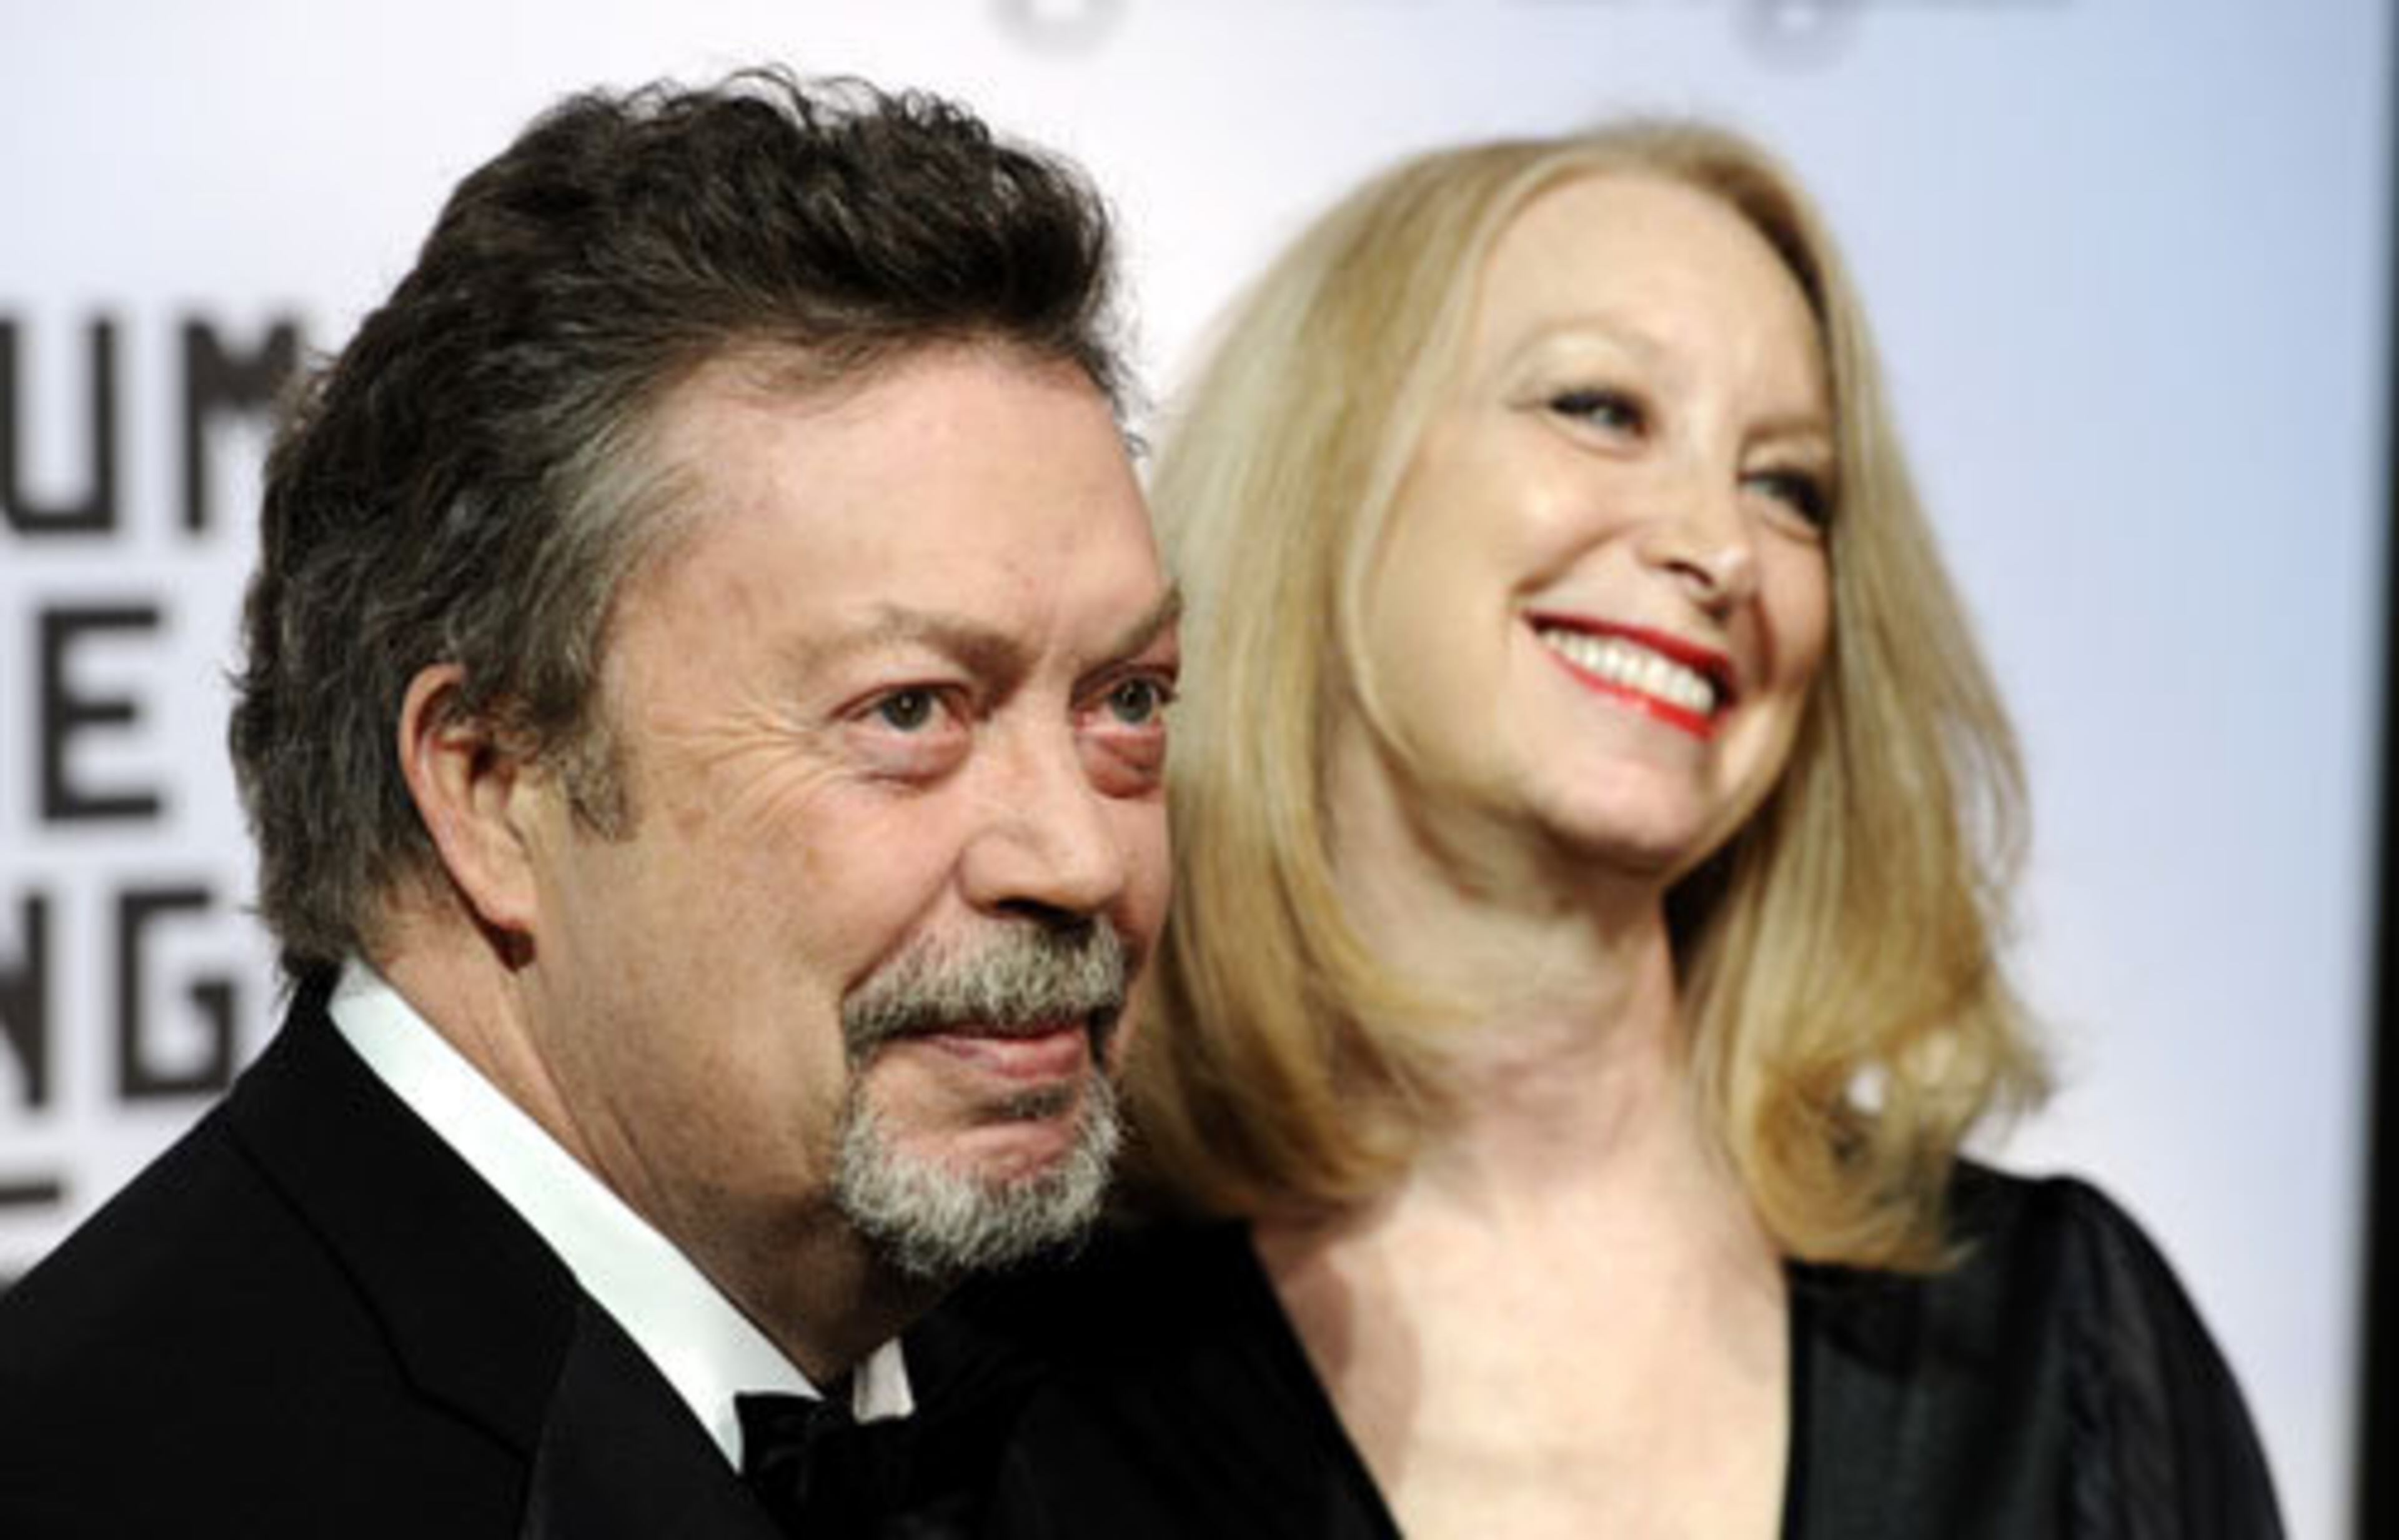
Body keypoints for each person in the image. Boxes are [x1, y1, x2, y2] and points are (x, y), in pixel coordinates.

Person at [968, 121, 2283, 1536]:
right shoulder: (1000, 1360)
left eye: (1790, 487)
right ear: (1330, 471)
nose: (1720, 550)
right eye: (1602, 408)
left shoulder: (2055, 1345)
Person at [0, 70, 1179, 1538]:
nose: (1076, 857)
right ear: (494, 789)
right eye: (909, 713)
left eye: (1127, 701)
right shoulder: (114, 1482)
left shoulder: (1119, 1414)